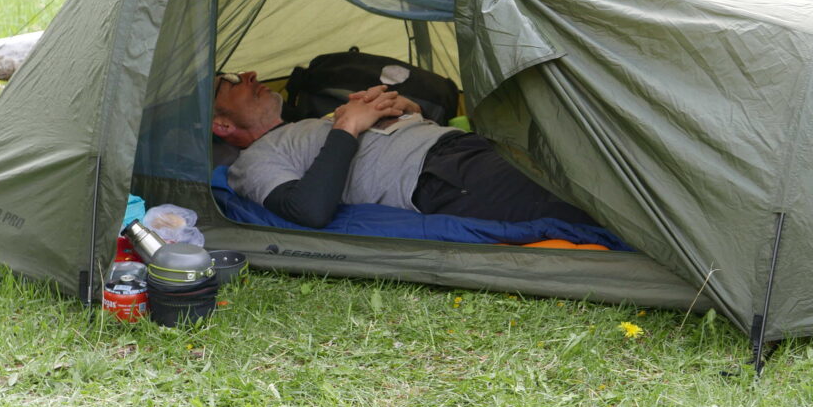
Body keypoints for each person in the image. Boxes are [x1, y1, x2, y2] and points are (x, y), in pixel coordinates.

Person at [212, 71, 598, 229]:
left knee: (585, 148)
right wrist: (348, 126)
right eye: (231, 82)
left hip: (467, 146)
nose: (249, 76)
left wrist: (409, 109)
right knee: (585, 192)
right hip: (444, 178)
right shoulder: (254, 162)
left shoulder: (307, 124)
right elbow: (308, 209)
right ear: (222, 125)